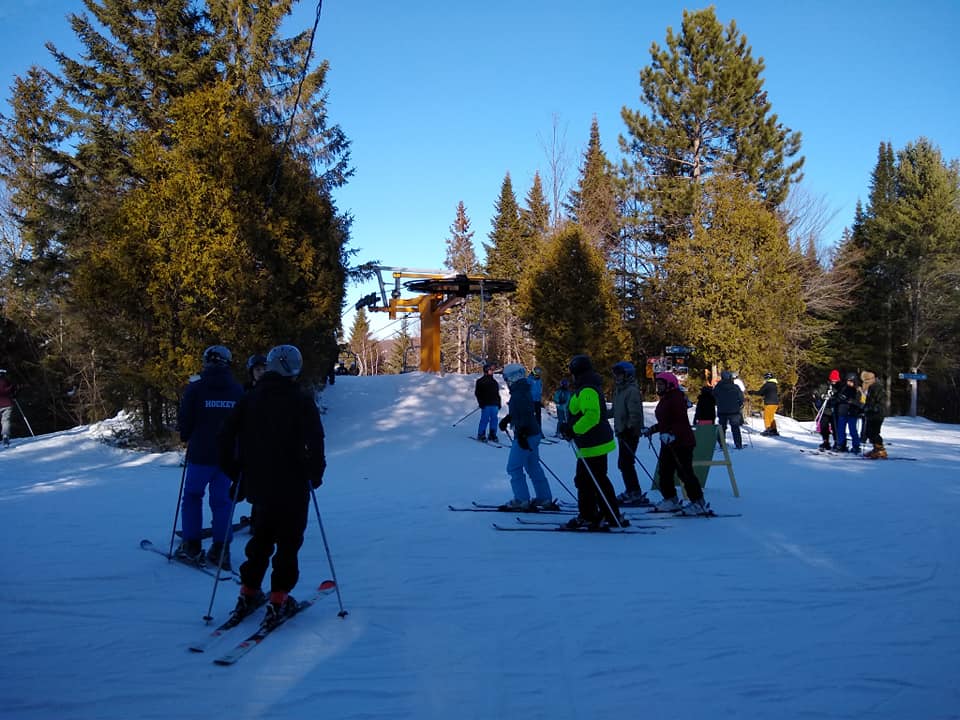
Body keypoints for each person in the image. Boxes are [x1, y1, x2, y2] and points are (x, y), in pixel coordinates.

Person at [218, 344, 326, 625]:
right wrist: (315, 473)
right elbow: (315, 440)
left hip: (259, 483)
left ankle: (248, 591)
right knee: (288, 542)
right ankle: (278, 599)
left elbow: (225, 437)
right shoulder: (300, 399)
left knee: (261, 539)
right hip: (293, 484)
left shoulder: (250, 398)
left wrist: (235, 472)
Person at [177, 345, 244, 568]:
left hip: (200, 454)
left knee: (192, 496)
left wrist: (186, 435)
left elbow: (185, 419)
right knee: (222, 501)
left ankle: (191, 545)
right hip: (227, 458)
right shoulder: (236, 390)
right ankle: (221, 549)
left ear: (207, 362)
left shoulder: (196, 388)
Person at [556, 355, 626, 529]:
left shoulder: (587, 389)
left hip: (593, 443)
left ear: (577, 372)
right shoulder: (586, 387)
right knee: (593, 480)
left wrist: (573, 430)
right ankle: (605, 514)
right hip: (591, 443)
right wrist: (569, 427)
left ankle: (593, 515)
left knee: (588, 481)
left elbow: (592, 416)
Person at [642, 371, 709, 515]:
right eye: (658, 384)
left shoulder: (676, 398)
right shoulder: (666, 398)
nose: (659, 387)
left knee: (684, 472)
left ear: (670, 385)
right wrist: (652, 430)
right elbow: (665, 421)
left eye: (661, 384)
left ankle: (698, 502)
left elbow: (679, 421)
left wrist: (672, 434)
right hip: (668, 442)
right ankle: (670, 499)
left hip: (681, 442)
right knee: (664, 472)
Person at [497, 363, 554, 509]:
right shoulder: (523, 389)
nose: (506, 381)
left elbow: (525, 414)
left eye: (506, 378)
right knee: (532, 466)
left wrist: (522, 433)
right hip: (532, 433)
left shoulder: (519, 392)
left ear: (513, 377)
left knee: (514, 467)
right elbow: (523, 411)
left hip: (526, 434)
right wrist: (508, 419)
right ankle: (544, 498)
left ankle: (521, 500)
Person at [611, 361, 648, 505]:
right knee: (624, 463)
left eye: (620, 375)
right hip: (621, 432)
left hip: (629, 433)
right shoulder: (619, 390)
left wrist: (631, 428)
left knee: (626, 463)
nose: (617, 377)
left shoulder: (631, 390)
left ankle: (634, 492)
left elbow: (635, 413)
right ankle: (631, 490)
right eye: (616, 375)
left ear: (628, 375)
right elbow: (615, 410)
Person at [713, 371, 744, 450]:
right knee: (735, 427)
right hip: (734, 410)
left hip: (722, 410)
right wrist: (739, 405)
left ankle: (721, 444)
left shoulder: (718, 387)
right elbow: (741, 398)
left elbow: (713, 397)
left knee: (722, 428)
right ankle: (738, 444)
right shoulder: (735, 387)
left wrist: (718, 403)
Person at [834, 372, 863, 453]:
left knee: (852, 430)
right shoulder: (844, 388)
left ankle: (856, 445)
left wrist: (851, 401)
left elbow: (861, 403)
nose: (849, 383)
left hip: (852, 413)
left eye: (850, 381)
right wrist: (839, 398)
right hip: (842, 411)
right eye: (848, 381)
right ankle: (840, 445)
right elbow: (838, 397)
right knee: (841, 430)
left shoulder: (858, 390)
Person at [860, 370, 887, 459]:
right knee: (869, 432)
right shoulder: (871, 387)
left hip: (878, 414)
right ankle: (876, 449)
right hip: (871, 413)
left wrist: (872, 408)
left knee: (874, 432)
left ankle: (880, 450)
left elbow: (881, 402)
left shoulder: (878, 388)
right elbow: (869, 401)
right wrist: (864, 408)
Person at [813, 369, 842, 450]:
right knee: (824, 426)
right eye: (833, 379)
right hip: (825, 410)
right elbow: (817, 392)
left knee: (835, 427)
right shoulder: (824, 385)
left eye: (835, 380)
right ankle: (826, 441)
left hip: (834, 410)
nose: (834, 381)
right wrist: (822, 396)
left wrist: (834, 398)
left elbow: (841, 396)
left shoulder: (839, 387)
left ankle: (837, 442)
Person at [474, 363, 501, 443]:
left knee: (494, 419)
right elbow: (478, 393)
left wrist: (499, 402)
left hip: (494, 404)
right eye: (490, 370)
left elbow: (497, 393)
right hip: (486, 404)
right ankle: (481, 434)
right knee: (485, 419)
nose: (492, 371)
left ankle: (492, 434)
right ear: (486, 370)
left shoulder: (494, 382)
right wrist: (481, 402)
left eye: (492, 370)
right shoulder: (480, 381)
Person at [0, 369, 16, 448]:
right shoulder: (6, 381)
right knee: (5, 420)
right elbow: (11, 389)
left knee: (4, 420)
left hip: (5, 404)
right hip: (7, 403)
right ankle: (5, 435)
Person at [528, 366, 544, 431]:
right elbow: (526, 390)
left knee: (538, 416)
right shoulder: (529, 379)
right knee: (531, 416)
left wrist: (540, 399)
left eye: (539, 372)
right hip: (531, 401)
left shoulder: (539, 380)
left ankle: (539, 430)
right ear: (534, 372)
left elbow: (540, 390)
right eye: (537, 371)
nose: (538, 373)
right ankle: (530, 430)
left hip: (538, 401)